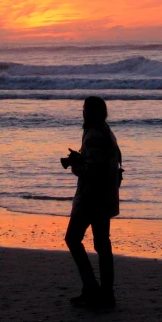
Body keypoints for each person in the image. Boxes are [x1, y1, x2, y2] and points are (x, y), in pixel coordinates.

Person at [63, 96, 122, 309]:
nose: (82, 112)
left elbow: (91, 170)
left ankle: (92, 288)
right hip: (105, 196)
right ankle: (106, 294)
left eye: (84, 109)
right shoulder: (105, 131)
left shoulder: (94, 134)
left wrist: (75, 165)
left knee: (73, 239)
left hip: (90, 197)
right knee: (102, 244)